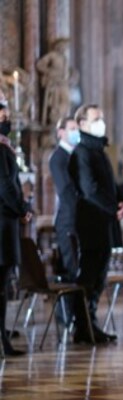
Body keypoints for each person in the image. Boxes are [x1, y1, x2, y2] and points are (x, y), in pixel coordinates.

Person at [68, 104, 123, 344]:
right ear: (81, 124)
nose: (101, 121)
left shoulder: (98, 150)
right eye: (96, 118)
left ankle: (91, 323)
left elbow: (109, 184)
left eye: (101, 117)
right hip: (91, 221)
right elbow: (90, 190)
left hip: (103, 221)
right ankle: (82, 325)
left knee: (100, 275)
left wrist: (120, 202)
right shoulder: (82, 152)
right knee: (89, 276)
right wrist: (112, 207)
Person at [0, 94, 33, 356]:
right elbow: (6, 187)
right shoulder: (1, 150)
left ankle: (3, 337)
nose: (7, 121)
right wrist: (23, 209)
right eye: (3, 117)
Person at [49, 117, 81, 325]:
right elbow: (67, 191)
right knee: (70, 269)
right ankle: (67, 317)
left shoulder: (75, 155)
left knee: (78, 269)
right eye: (71, 129)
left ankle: (78, 315)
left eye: (77, 129)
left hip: (77, 220)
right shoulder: (58, 158)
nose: (75, 132)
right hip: (68, 221)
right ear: (60, 132)